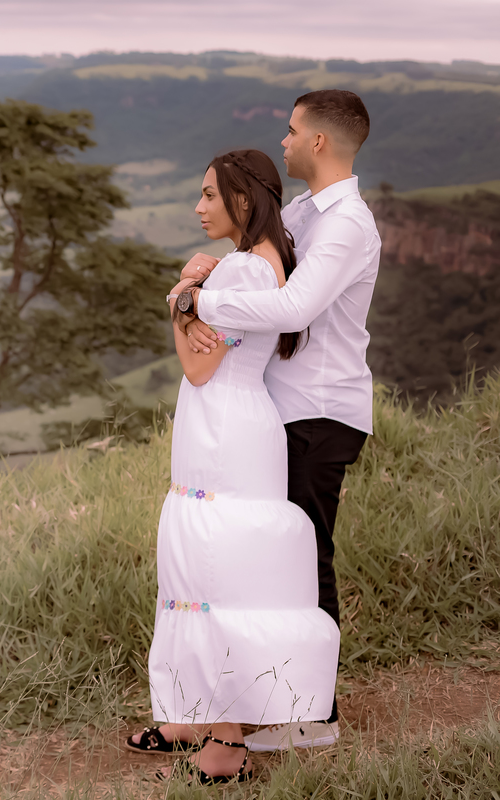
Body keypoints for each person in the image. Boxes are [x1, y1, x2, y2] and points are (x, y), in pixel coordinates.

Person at [121, 148, 341, 785]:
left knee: (213, 573)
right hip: (244, 420)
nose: (198, 207)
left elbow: (197, 365)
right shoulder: (263, 264)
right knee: (233, 574)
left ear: (242, 201)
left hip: (221, 424)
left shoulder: (241, 272)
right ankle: (203, 719)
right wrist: (198, 289)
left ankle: (223, 745)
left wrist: (183, 294)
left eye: (209, 195)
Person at [180, 89, 380, 752]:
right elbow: (262, 250)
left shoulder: (347, 223)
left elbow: (292, 307)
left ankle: (314, 717)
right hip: (283, 414)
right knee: (278, 562)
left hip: (320, 412)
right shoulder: (303, 211)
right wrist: (216, 269)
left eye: (293, 131)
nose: (285, 141)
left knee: (305, 559)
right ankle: (276, 698)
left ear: (320, 142)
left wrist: (203, 301)